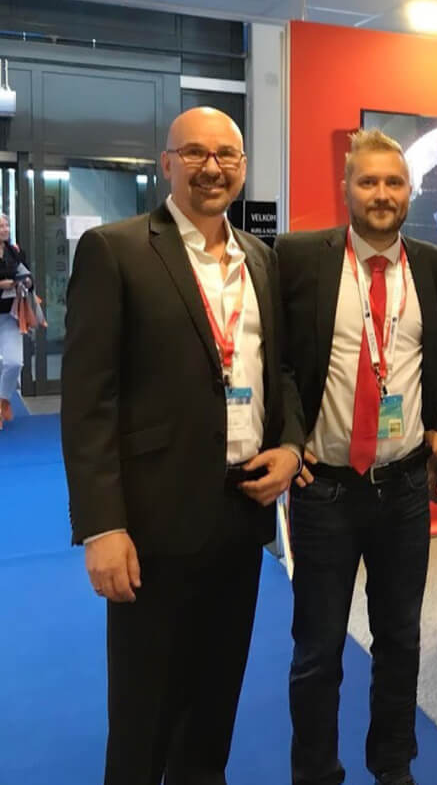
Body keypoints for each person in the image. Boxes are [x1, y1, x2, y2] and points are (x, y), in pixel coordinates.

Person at [61, 106, 306, 785]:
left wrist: (289, 447)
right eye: (194, 153)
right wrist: (102, 526)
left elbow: (277, 369)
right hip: (152, 518)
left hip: (242, 510)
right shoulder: (117, 249)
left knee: (214, 697)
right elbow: (89, 402)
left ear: (243, 166)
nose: (212, 167)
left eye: (226, 154)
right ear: (166, 163)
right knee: (143, 710)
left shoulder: (262, 257)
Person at [276, 127, 437, 785]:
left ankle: (393, 764)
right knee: (318, 650)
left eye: (393, 182)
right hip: (322, 489)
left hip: (403, 489)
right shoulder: (300, 257)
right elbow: (284, 368)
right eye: (368, 181)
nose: (381, 194)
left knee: (400, 641)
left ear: (410, 192)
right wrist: (290, 440)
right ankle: (315, 772)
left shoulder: (433, 266)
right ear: (346, 187)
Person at [0, 213, 30, 426]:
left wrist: (27, 283)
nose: (5, 228)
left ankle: (3, 401)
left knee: (14, 362)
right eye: (0, 226)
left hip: (10, 314)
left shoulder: (14, 251)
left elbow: (27, 274)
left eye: (6, 224)